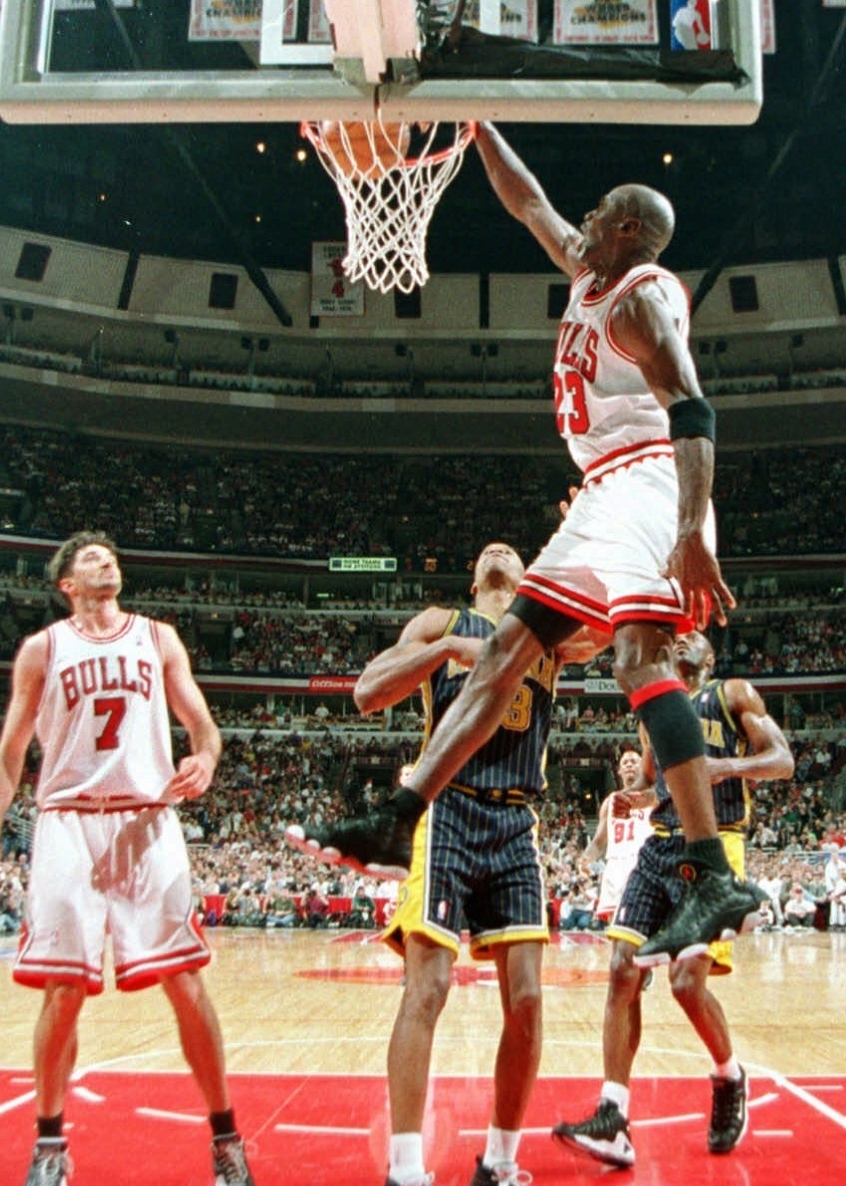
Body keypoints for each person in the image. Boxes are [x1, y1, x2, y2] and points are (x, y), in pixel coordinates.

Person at [287, 125, 759, 970]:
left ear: (627, 233)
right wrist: (475, 125)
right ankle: (403, 812)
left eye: (604, 209)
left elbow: (693, 409)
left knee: (638, 658)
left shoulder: (642, 296)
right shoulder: (589, 265)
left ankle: (712, 870)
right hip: (603, 489)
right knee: (508, 645)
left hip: (653, 482)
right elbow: (526, 198)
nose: (585, 212)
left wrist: (692, 530)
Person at [0, 531, 256, 1186]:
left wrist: (207, 761)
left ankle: (227, 1141)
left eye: (111, 555)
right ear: (66, 582)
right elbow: (9, 753)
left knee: (185, 981)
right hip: (67, 818)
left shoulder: (157, 638)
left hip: (146, 820)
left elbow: (204, 725)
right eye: (90, 557)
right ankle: (48, 1146)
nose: (106, 560)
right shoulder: (43, 648)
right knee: (64, 990)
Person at [351, 542, 602, 1186]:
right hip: (447, 810)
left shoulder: (549, 625)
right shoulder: (440, 618)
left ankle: (495, 1173)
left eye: (513, 548)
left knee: (527, 1002)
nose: (498, 547)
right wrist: (453, 647)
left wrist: (594, 537)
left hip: (517, 821)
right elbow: (368, 690)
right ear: (474, 578)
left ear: (530, 577)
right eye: (487, 551)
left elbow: (617, 627)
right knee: (426, 986)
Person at [553, 629, 792, 1169]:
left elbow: (782, 760)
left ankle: (729, 1076)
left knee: (687, 984)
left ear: (709, 658)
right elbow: (661, 785)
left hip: (715, 846)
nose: (682, 640)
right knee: (621, 969)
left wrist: (726, 767)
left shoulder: (732, 694)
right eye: (675, 635)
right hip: (659, 846)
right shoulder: (655, 709)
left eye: (694, 637)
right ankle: (613, 1117)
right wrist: (630, 799)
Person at [580, 749, 652, 931]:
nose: (629, 764)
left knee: (643, 925)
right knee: (616, 928)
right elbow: (599, 841)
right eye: (625, 762)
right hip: (615, 865)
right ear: (618, 771)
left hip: (643, 862)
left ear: (644, 767)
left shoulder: (654, 798)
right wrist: (586, 858)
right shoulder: (610, 802)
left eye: (634, 761)